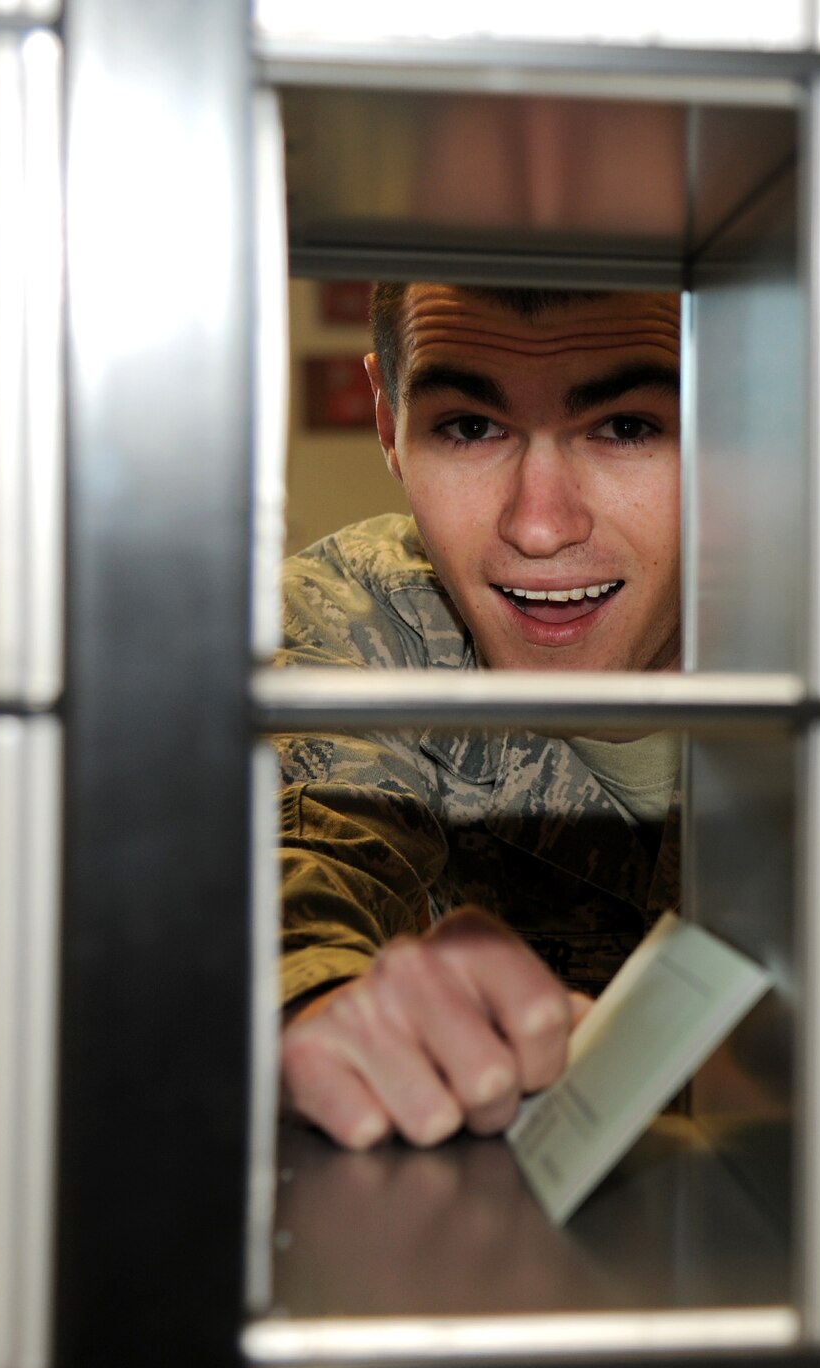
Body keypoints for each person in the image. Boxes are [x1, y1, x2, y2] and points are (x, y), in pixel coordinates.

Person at [274, 282, 684, 1152]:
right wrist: (315, 1006)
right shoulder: (354, 619)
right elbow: (294, 855)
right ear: (389, 425)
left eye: (625, 427)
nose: (540, 526)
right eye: (469, 427)